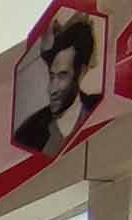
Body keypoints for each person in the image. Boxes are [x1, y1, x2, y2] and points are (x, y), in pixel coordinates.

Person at [13, 11, 101, 152]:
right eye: (52, 76)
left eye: (62, 76)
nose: (52, 89)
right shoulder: (28, 134)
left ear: (82, 72)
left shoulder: (100, 108)